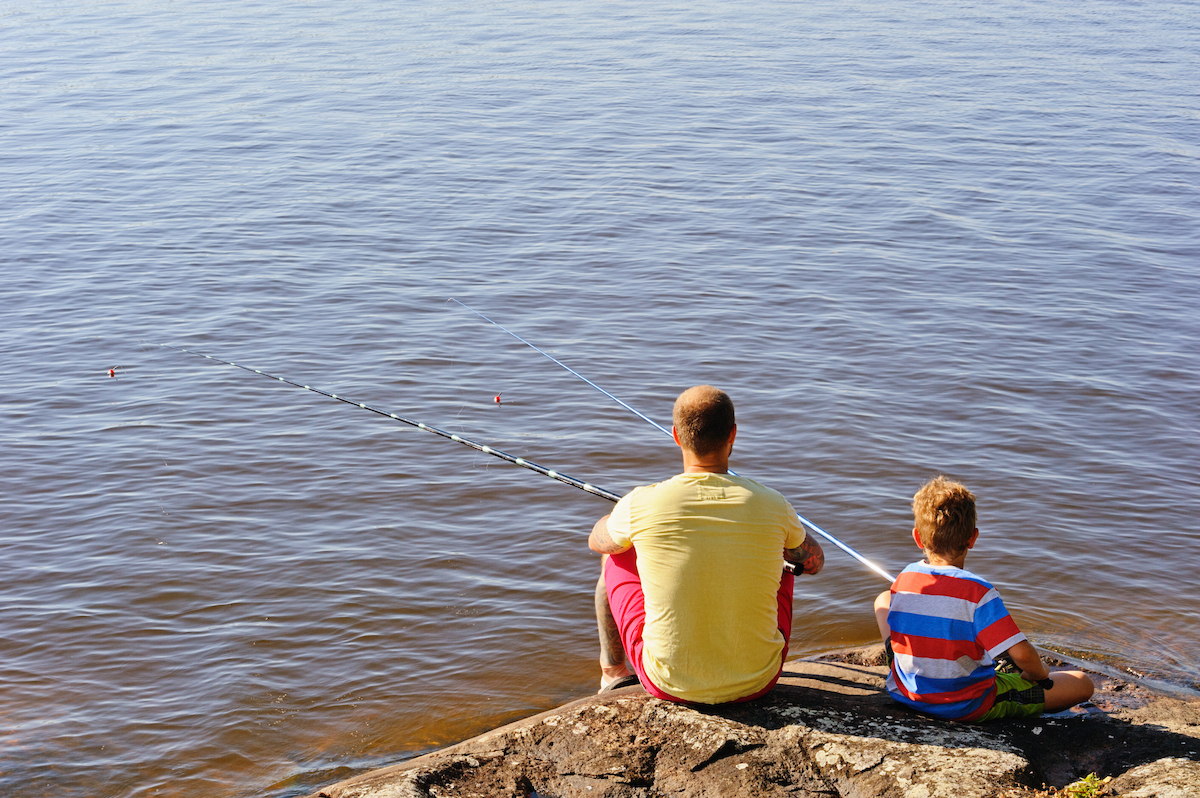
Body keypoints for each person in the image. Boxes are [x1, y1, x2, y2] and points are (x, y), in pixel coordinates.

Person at [588, 385, 825, 704]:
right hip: (758, 680)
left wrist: (621, 518)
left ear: (675, 435)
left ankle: (613, 672)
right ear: (733, 435)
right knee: (785, 563)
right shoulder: (772, 504)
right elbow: (814, 563)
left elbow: (597, 541)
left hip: (668, 684)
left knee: (614, 557)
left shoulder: (640, 503)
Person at [873, 476, 1094, 722]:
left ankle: (896, 662)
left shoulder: (905, 578)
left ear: (917, 537)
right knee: (1082, 683)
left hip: (904, 693)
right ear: (973, 538)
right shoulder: (979, 592)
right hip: (966, 704)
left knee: (883, 599)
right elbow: (1021, 654)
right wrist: (1039, 674)